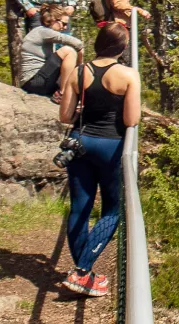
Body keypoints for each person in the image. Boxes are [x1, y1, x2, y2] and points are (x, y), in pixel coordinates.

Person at [57, 23, 141, 297]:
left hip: (81, 142)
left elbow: (66, 117)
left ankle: (85, 273)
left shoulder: (78, 72)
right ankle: (82, 272)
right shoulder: (128, 75)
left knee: (79, 207)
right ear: (123, 47)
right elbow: (131, 119)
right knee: (112, 210)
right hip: (111, 146)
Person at [19, 5, 84, 98]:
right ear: (53, 19)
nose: (65, 28)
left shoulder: (41, 33)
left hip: (34, 82)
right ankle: (63, 94)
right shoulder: (43, 31)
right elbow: (78, 43)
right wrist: (80, 62)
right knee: (68, 51)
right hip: (34, 81)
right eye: (64, 23)